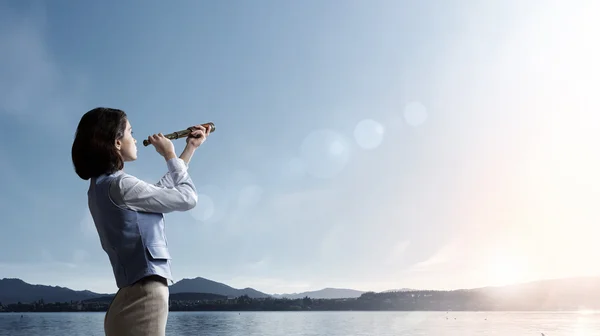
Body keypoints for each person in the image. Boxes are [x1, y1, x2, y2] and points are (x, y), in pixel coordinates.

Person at [71, 107, 210, 336]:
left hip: (129, 299)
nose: (135, 139)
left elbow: (158, 192)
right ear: (117, 142)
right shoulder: (121, 185)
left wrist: (189, 149)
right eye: (130, 132)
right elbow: (188, 198)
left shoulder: (101, 187)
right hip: (144, 298)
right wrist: (169, 156)